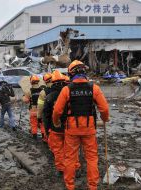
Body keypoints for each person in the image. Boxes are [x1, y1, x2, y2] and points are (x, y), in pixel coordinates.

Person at [53, 60, 109, 190]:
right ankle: (93, 186)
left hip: (71, 130)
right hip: (89, 129)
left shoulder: (67, 89)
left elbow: (57, 111)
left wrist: (56, 122)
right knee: (91, 158)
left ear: (71, 74)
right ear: (84, 72)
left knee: (70, 158)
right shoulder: (94, 88)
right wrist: (104, 118)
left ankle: (70, 186)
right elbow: (104, 109)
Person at [43, 70, 81, 178]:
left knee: (58, 150)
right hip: (70, 127)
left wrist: (47, 130)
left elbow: (46, 115)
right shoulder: (69, 93)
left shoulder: (49, 96)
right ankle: (76, 167)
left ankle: (61, 169)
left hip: (55, 128)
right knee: (72, 149)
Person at [22, 75, 45, 140]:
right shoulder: (42, 90)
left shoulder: (29, 91)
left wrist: (23, 96)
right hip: (41, 110)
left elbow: (26, 101)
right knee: (42, 123)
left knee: (33, 123)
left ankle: (34, 136)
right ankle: (44, 136)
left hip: (33, 110)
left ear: (31, 82)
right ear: (38, 82)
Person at [37, 72, 53, 142]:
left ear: (45, 81)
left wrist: (39, 117)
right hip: (60, 115)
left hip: (47, 116)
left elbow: (40, 107)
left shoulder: (43, 92)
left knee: (49, 132)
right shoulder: (62, 88)